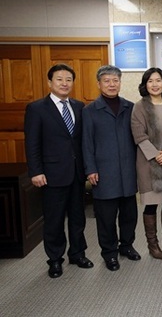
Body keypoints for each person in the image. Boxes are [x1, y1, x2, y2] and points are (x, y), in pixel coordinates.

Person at [24, 63, 93, 278]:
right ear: (49, 82)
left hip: (76, 173)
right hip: (52, 173)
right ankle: (55, 259)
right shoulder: (37, 108)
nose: (64, 83)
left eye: (68, 80)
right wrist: (35, 171)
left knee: (77, 217)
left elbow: (82, 141)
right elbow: (32, 143)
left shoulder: (80, 106)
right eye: (59, 79)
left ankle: (77, 253)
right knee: (54, 219)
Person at [82, 65, 140, 271]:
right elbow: (86, 143)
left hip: (128, 170)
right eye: (107, 80)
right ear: (99, 84)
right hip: (104, 172)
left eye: (115, 80)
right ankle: (109, 253)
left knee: (129, 214)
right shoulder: (89, 111)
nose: (111, 84)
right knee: (106, 217)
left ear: (120, 83)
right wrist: (90, 169)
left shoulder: (130, 107)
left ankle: (127, 245)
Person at [131, 68, 162, 259]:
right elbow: (139, 135)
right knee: (151, 204)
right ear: (145, 84)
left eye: (158, 80)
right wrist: (156, 154)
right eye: (150, 81)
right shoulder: (139, 107)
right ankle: (153, 245)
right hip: (148, 162)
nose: (155, 84)